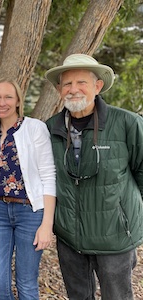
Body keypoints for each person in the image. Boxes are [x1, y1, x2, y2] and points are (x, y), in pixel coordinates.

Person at [45, 53, 143, 300]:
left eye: (82, 83)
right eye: (67, 84)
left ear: (97, 86)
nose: (73, 90)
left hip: (114, 236)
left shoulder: (126, 123)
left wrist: (126, 214)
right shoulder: (51, 128)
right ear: (59, 89)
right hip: (70, 236)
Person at [0, 79, 56, 299]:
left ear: (18, 102)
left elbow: (49, 176)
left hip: (30, 213)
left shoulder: (34, 128)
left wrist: (46, 225)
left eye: (8, 97)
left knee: (26, 282)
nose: (1, 102)